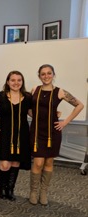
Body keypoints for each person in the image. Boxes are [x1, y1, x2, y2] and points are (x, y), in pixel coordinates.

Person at [29, 64, 84, 205]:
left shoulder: (60, 92)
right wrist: (37, 116)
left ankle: (43, 192)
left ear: (53, 75)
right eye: (43, 74)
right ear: (39, 76)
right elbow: (29, 109)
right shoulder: (34, 89)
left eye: (49, 73)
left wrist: (65, 122)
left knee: (48, 161)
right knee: (38, 162)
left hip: (52, 133)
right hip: (36, 131)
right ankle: (33, 191)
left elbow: (80, 105)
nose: (46, 76)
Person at [0, 71, 32, 201]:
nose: (16, 83)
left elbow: (34, 113)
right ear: (8, 82)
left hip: (21, 135)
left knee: (15, 162)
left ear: (22, 82)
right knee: (4, 164)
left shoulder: (28, 97)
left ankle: (10, 189)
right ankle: (2, 189)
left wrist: (54, 114)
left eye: (19, 80)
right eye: (13, 80)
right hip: (4, 135)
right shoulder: (1, 96)